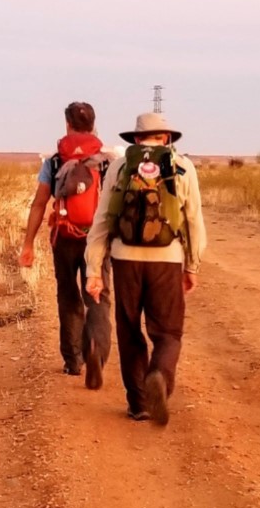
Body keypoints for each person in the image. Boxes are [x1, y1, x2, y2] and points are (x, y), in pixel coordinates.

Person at [83, 111, 207, 425]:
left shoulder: (121, 166)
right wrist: (191, 265)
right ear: (166, 138)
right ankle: (159, 377)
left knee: (129, 331)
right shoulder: (182, 166)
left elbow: (102, 220)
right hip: (167, 260)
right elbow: (193, 221)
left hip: (125, 260)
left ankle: (138, 403)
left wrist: (94, 270)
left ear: (136, 139)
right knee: (167, 333)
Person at [19, 101, 115, 389]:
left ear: (68, 125)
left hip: (63, 237)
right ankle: (96, 350)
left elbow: (39, 204)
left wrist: (28, 244)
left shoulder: (55, 161)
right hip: (96, 239)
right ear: (93, 125)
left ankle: (73, 360)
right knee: (98, 294)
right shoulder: (107, 161)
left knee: (68, 295)